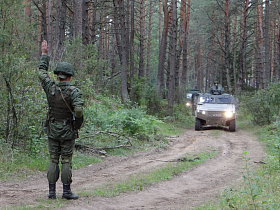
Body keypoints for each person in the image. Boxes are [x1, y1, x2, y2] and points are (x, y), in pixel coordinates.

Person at [39, 40, 84, 200]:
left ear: (58, 75)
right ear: (70, 76)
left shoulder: (50, 87)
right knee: (65, 160)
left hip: (52, 129)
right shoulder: (74, 91)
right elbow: (78, 110)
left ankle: (51, 193)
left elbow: (42, 73)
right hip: (67, 130)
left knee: (53, 158)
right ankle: (66, 192)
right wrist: (76, 125)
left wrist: (44, 55)